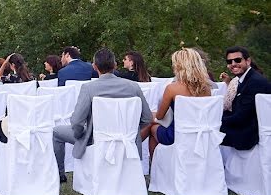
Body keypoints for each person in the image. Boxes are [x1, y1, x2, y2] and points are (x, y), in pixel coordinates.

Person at [51, 48, 152, 182]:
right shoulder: (133, 87)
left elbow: (77, 122)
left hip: (94, 138)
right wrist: (128, 132)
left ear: (94, 66)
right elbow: (147, 118)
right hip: (125, 137)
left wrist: (80, 135)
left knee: (56, 132)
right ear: (115, 65)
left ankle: (60, 174)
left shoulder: (89, 88)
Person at [143, 48, 211, 158]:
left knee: (151, 127)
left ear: (179, 66)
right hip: (199, 135)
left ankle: (155, 167)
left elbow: (160, 116)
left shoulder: (172, 88)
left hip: (176, 135)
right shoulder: (206, 89)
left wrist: (150, 115)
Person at [219, 46, 270, 151]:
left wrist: (216, 119)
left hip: (249, 133)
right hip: (246, 125)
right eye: (229, 61)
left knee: (207, 132)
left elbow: (241, 116)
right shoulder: (244, 79)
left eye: (237, 60)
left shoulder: (255, 82)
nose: (233, 64)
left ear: (248, 61)